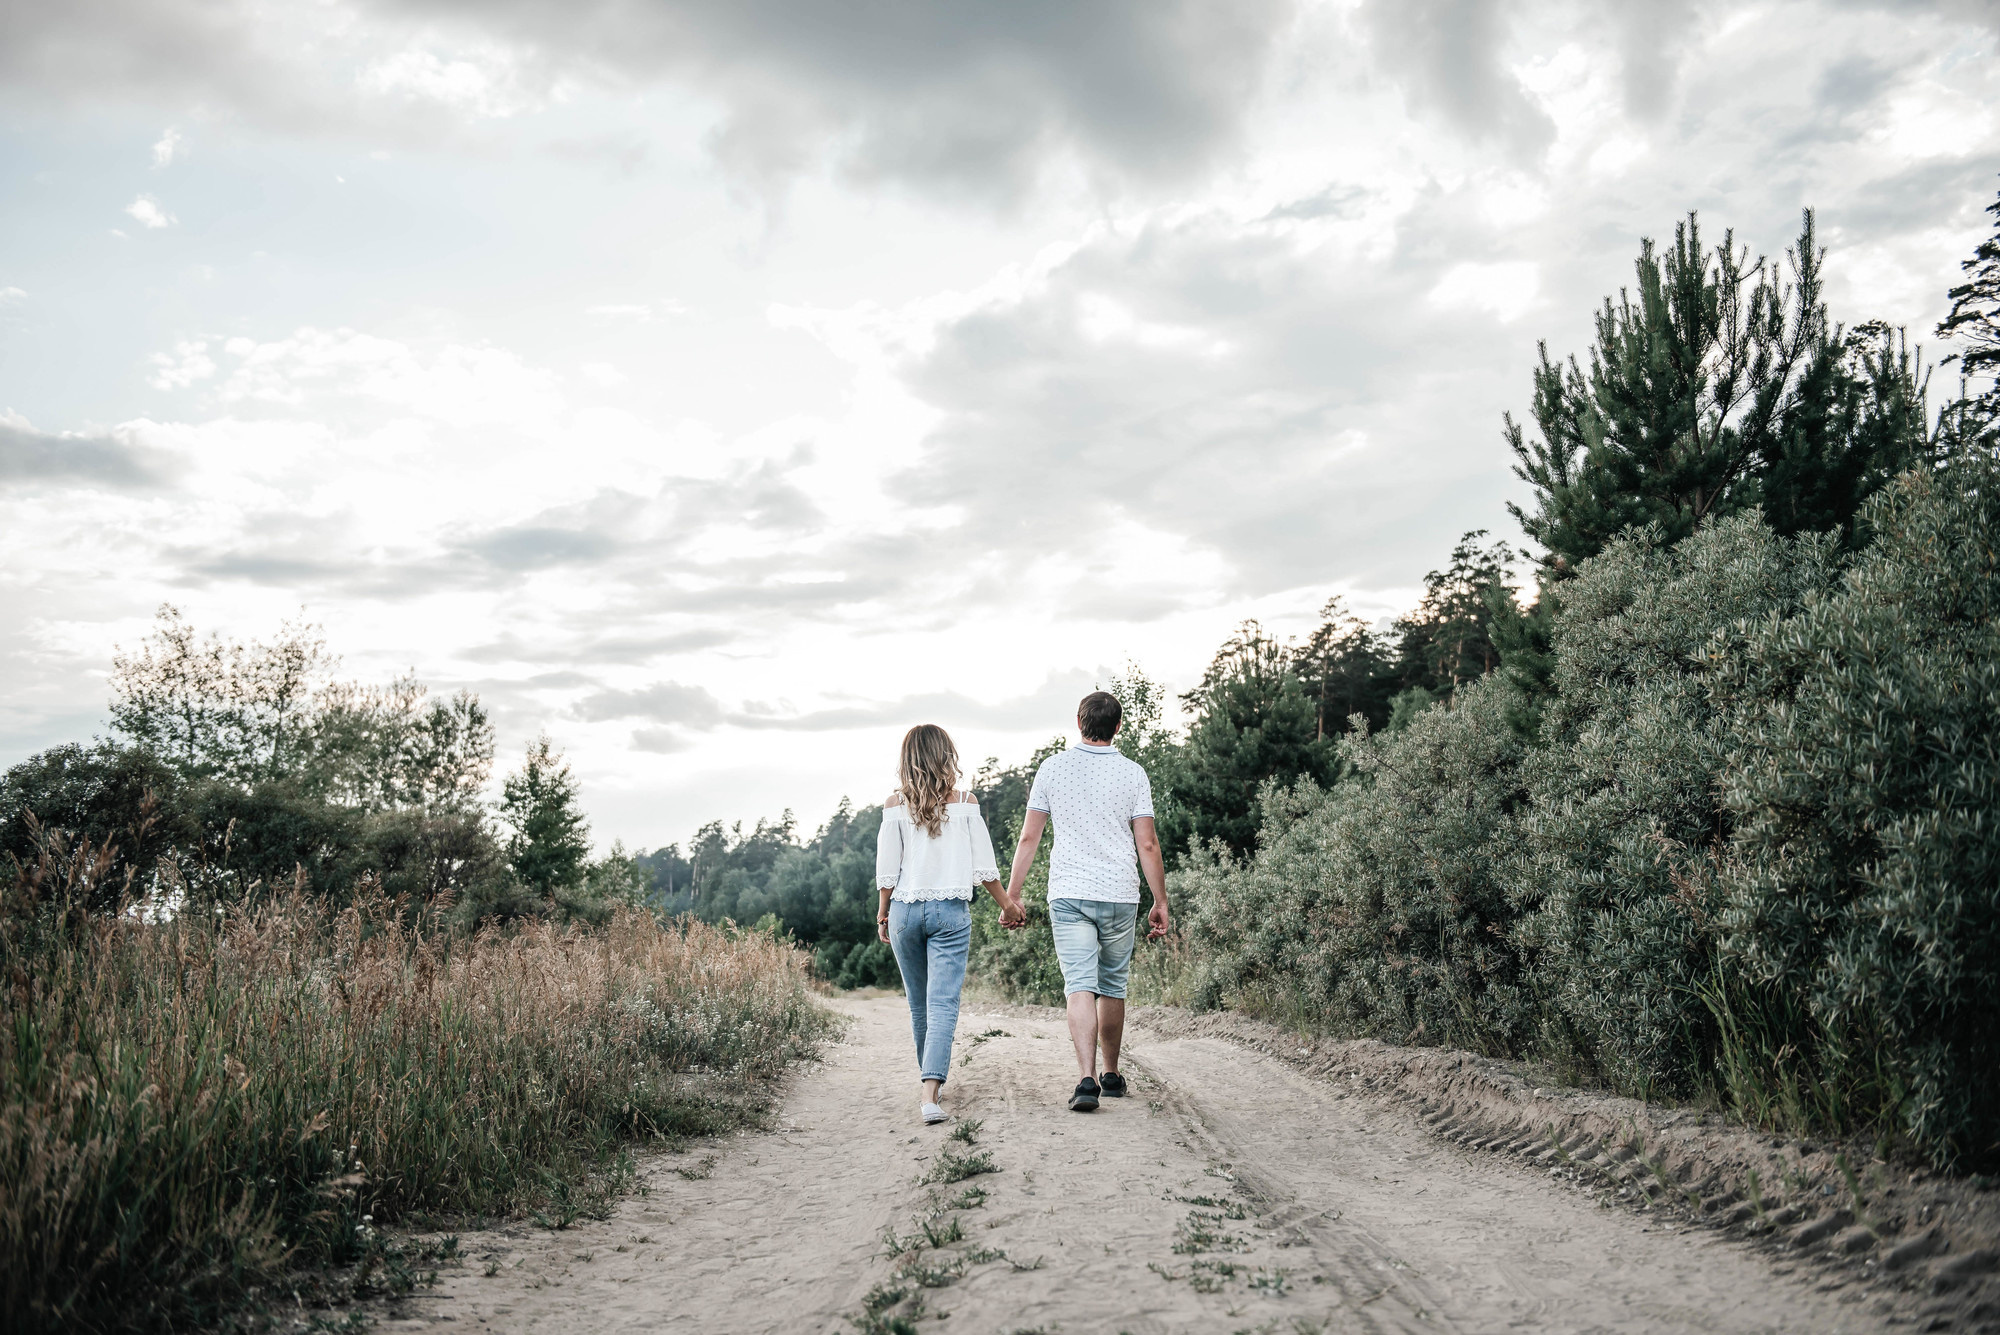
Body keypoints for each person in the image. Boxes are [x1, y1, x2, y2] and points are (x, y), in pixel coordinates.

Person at [1005, 691, 1169, 1112]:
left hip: (1070, 893)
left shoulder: (1052, 769)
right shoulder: (1133, 773)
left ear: (1079, 721)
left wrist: (1014, 894)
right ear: (1118, 726)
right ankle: (1112, 1074)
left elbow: (1030, 836)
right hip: (1118, 893)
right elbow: (1147, 843)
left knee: (1079, 984)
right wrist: (1159, 899)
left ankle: (1086, 1079)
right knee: (1112, 984)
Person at [876, 723, 1026, 1124]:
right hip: (950, 913)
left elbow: (888, 869)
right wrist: (1008, 905)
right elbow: (984, 868)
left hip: (905, 911)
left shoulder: (893, 805)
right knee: (942, 1003)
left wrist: (883, 911)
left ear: (908, 760)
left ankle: (931, 1083)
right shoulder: (964, 802)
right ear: (947, 755)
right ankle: (931, 1093)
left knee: (919, 1004)